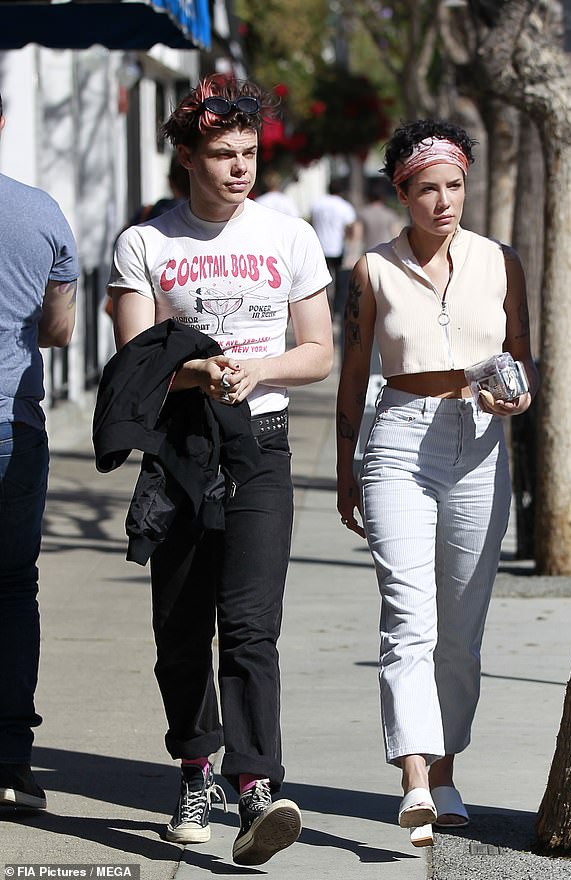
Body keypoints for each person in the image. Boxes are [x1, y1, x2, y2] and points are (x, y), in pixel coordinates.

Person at [107, 74, 333, 866]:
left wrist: (258, 367)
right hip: (178, 452)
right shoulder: (147, 242)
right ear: (187, 156)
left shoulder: (288, 235)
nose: (240, 168)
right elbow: (138, 358)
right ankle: (196, 769)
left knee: (249, 627)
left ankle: (256, 786)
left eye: (249, 154)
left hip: (260, 447)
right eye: (223, 155)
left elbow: (318, 351)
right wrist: (205, 374)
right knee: (180, 628)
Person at [336, 120, 539, 848]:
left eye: (454, 185)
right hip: (397, 441)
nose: (444, 201)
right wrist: (344, 470)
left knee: (461, 631)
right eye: (428, 189)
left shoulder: (500, 262)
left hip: (480, 445)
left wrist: (519, 394)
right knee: (409, 617)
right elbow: (354, 378)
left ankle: (448, 771)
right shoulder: (371, 271)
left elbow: (522, 357)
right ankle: (414, 777)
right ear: (403, 193)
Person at [0, 91, 79, 811]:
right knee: (11, 589)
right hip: (12, 424)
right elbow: (58, 330)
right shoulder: (40, 213)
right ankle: (11, 764)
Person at [310, 178, 357, 317]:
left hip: (319, 247)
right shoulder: (344, 206)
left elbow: (311, 222)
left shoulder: (317, 204)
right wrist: (350, 245)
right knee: (338, 281)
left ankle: (324, 308)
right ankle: (336, 310)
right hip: (337, 248)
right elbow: (351, 228)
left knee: (320, 281)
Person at [357, 177, 402, 251]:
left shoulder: (363, 213)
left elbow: (357, 236)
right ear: (383, 196)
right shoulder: (390, 214)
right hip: (386, 254)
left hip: (368, 253)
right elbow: (397, 235)